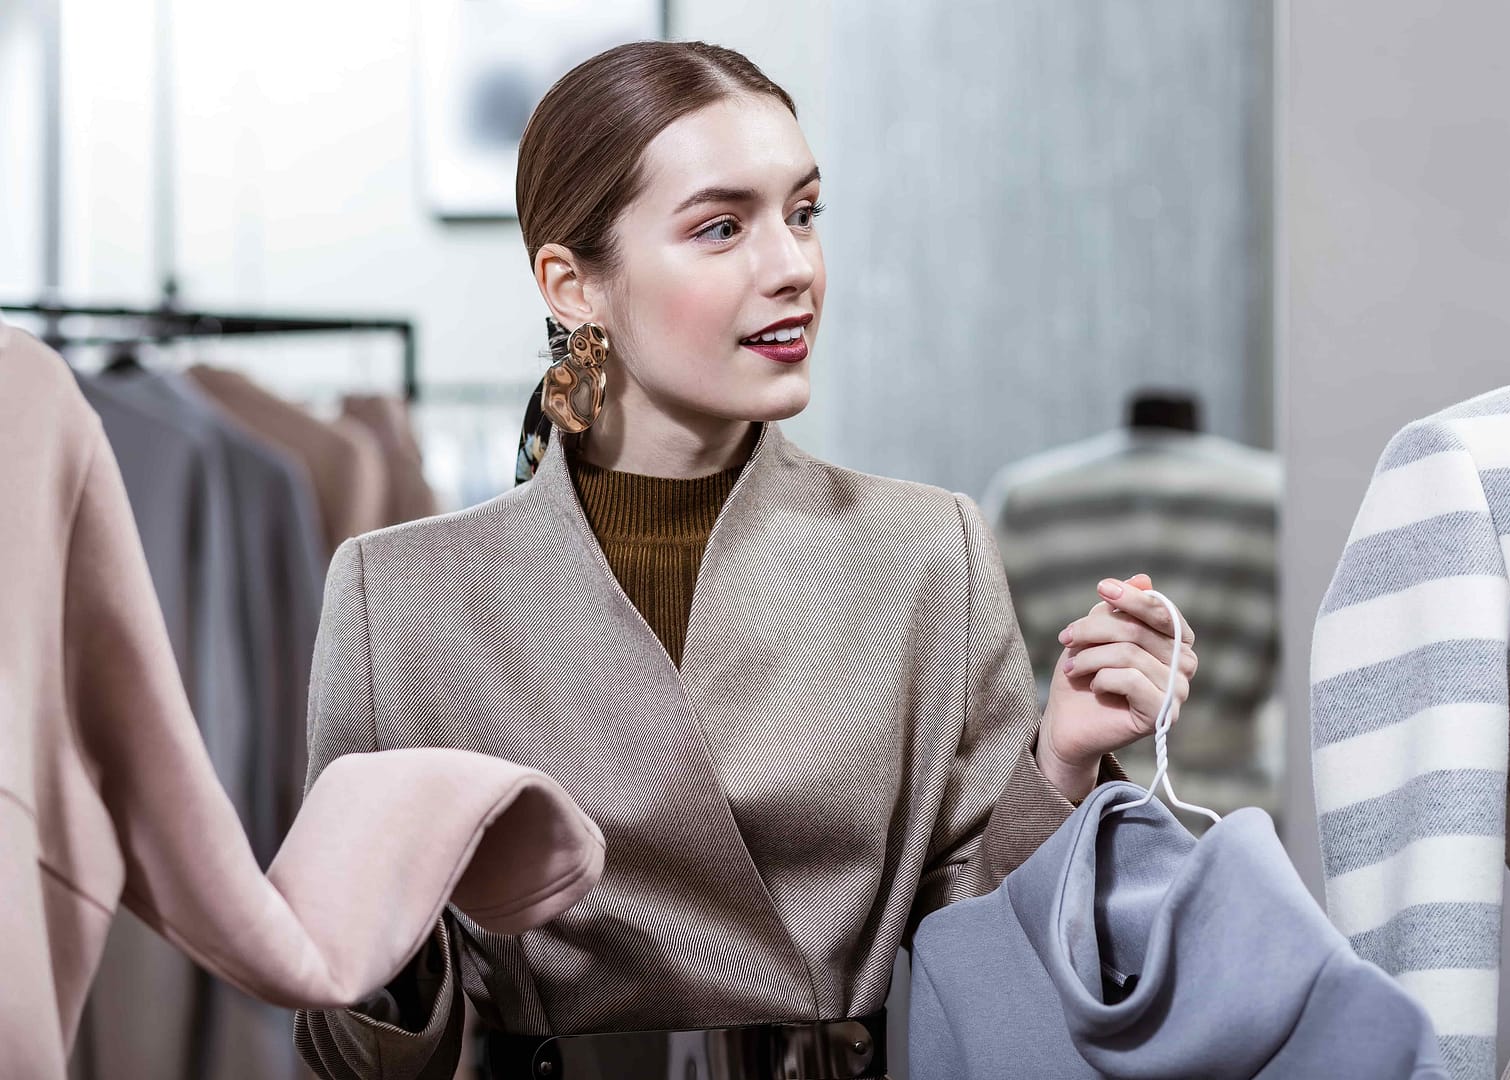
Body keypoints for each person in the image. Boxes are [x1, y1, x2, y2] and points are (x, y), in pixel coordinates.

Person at [294, 40, 1199, 1080]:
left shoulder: (923, 553)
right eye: (723, 227)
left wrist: (1064, 761)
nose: (792, 268)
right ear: (572, 283)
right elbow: (343, 1040)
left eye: (803, 213)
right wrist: (390, 939)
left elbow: (986, 974)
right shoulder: (398, 597)